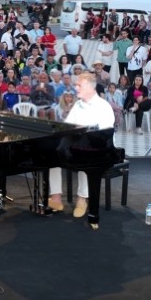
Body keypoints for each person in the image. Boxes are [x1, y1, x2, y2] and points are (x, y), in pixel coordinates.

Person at [46, 72, 114, 217]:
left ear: (90, 87)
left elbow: (105, 132)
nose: (75, 88)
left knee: (86, 159)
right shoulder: (78, 104)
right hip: (75, 145)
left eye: (79, 85)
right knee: (51, 155)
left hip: (97, 149)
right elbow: (68, 126)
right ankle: (56, 196)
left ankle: (82, 198)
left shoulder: (103, 106)